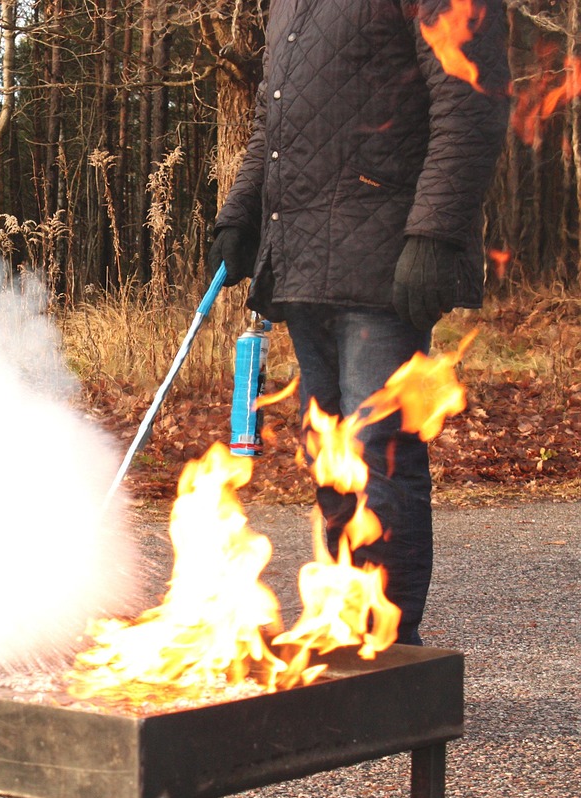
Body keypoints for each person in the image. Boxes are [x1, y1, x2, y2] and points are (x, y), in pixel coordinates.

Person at [207, 0, 510, 645]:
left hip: (385, 262)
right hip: (303, 262)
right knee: (329, 454)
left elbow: (470, 104)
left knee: (381, 456)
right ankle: (348, 624)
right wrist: (240, 214)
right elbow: (274, 118)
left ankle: (391, 651)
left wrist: (433, 234)